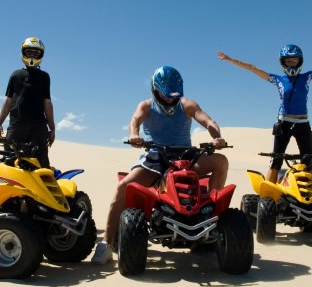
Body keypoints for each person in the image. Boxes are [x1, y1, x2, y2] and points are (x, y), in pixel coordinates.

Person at [91, 66, 229, 264]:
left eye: (174, 96)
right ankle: (106, 244)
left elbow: (208, 121)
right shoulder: (146, 106)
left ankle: (211, 218)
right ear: (155, 90)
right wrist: (134, 134)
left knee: (220, 161)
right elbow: (135, 120)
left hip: (186, 158)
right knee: (123, 187)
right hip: (156, 158)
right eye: (166, 96)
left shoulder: (187, 104)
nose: (171, 100)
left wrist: (217, 137)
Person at [217, 43, 312, 183]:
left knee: (308, 161)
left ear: (299, 61)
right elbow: (251, 67)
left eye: (294, 60)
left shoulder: (307, 77)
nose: (291, 63)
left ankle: (309, 200)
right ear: (283, 62)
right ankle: (267, 197)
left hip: (303, 125)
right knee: (276, 160)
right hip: (284, 124)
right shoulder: (278, 79)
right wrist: (230, 59)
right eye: (288, 61)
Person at [0, 37, 56, 167]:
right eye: (29, 52)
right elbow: (8, 100)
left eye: (36, 53)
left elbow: (47, 103)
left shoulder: (44, 77)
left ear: (41, 55)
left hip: (38, 127)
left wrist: (52, 128)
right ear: (23, 53)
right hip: (16, 124)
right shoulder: (15, 75)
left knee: (40, 163)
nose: (32, 55)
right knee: (9, 161)